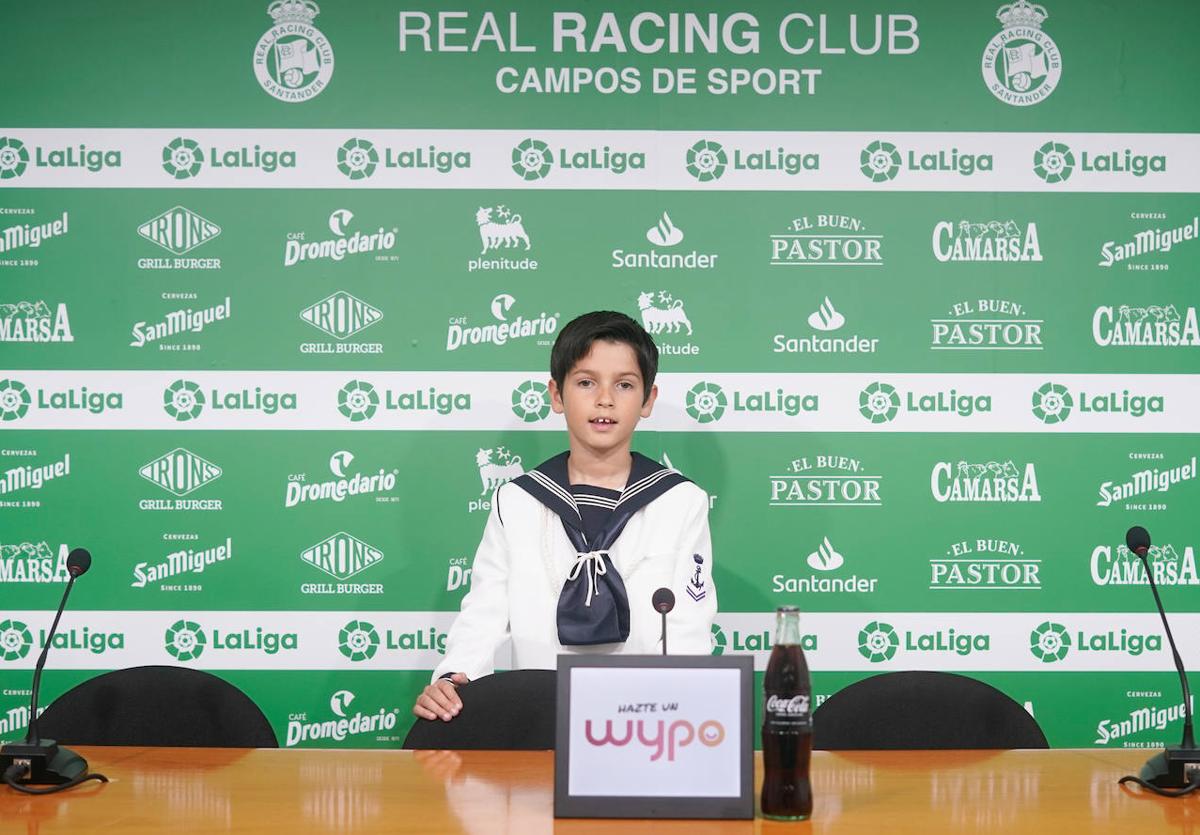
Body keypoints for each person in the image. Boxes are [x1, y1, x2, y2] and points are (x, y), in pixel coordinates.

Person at [413, 310, 717, 722]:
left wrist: (682, 712)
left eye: (624, 385)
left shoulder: (679, 501)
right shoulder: (517, 501)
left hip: (644, 721)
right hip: (540, 717)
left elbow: (687, 627)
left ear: (648, 400)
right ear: (557, 395)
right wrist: (453, 678)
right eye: (586, 382)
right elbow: (484, 610)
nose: (604, 399)